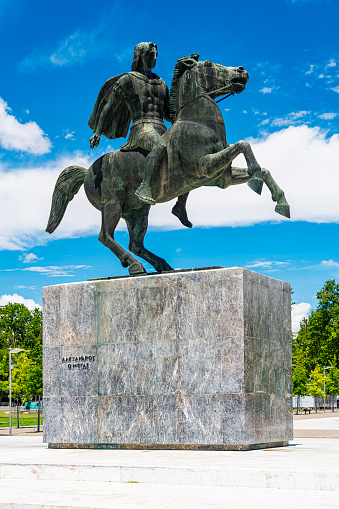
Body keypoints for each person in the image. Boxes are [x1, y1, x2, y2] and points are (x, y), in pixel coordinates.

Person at [88, 42, 192, 227]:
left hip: (161, 128)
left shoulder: (162, 83)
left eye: (155, 55)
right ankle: (144, 187)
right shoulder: (128, 79)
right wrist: (98, 132)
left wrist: (182, 77)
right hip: (141, 128)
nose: (154, 59)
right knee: (160, 146)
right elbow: (110, 106)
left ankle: (180, 205)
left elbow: (169, 114)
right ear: (140, 56)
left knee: (187, 156)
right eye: (150, 55)